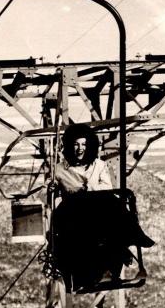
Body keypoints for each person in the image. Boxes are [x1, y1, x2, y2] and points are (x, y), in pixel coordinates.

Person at [51, 124, 155, 293]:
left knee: (112, 205)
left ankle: (129, 240)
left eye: (84, 145)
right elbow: (52, 192)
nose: (80, 149)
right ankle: (132, 237)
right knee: (93, 220)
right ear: (70, 146)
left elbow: (106, 187)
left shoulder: (98, 165)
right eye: (76, 144)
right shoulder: (61, 168)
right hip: (74, 211)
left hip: (96, 207)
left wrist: (89, 190)